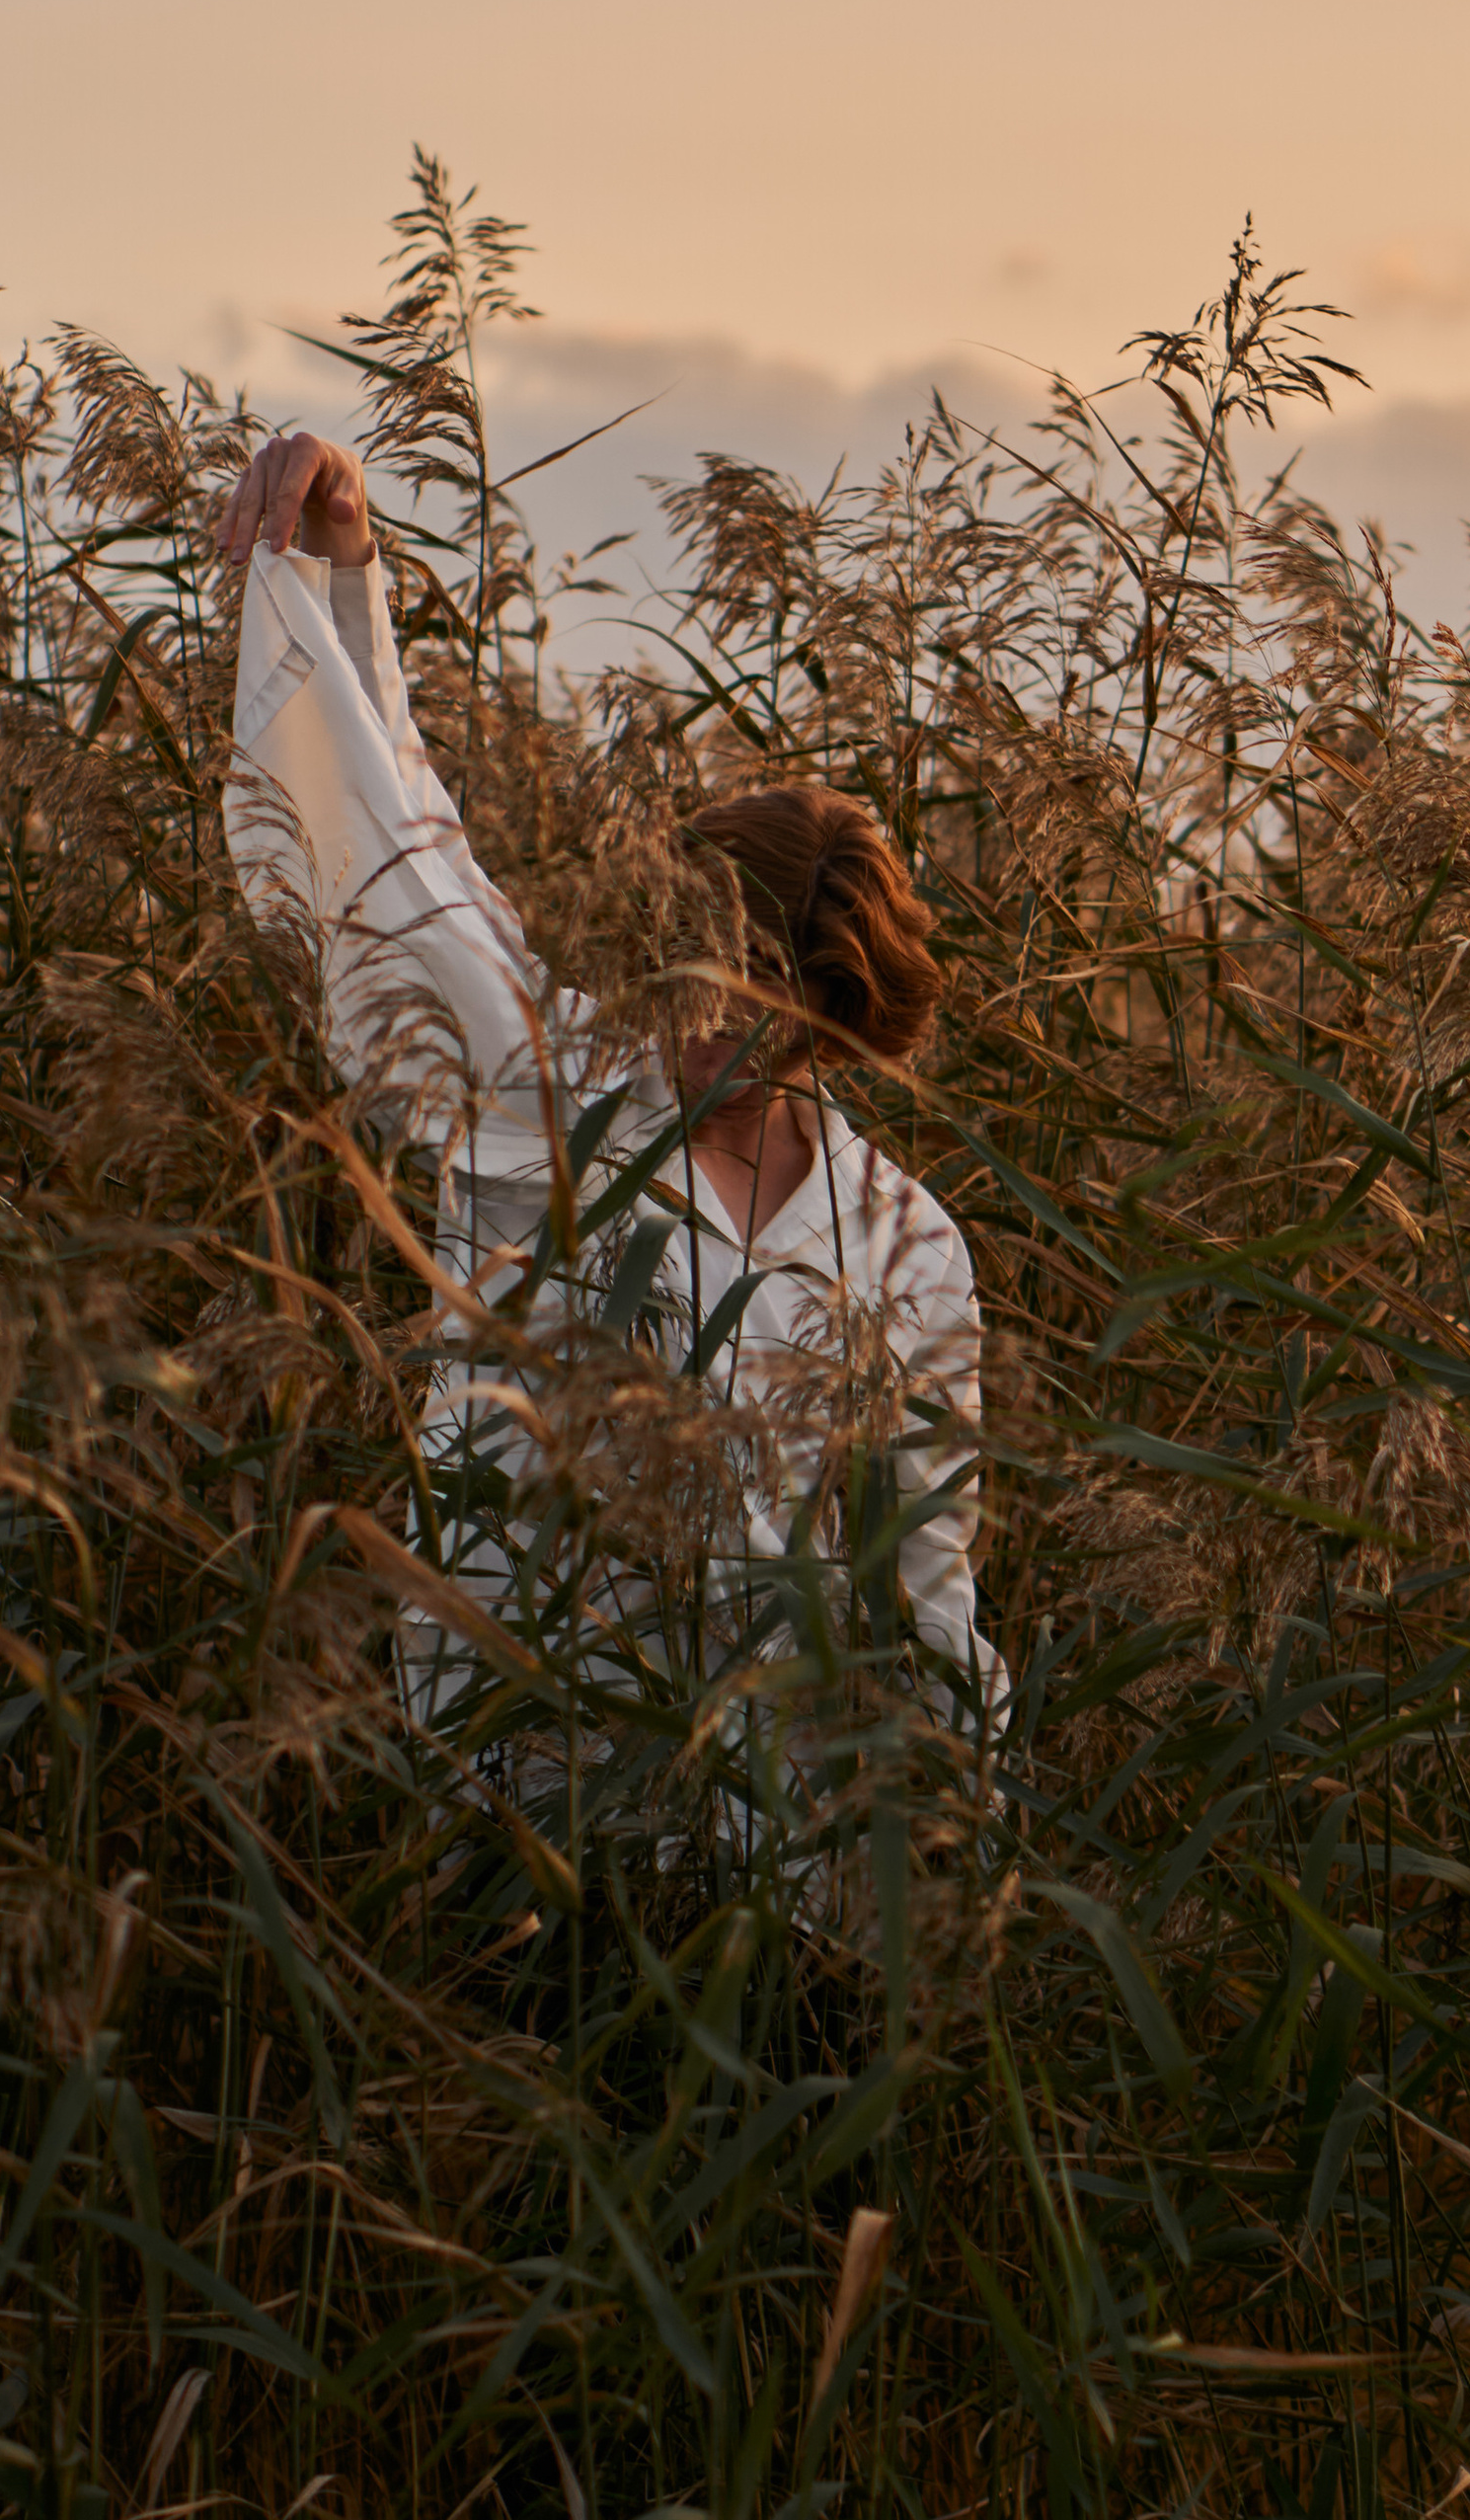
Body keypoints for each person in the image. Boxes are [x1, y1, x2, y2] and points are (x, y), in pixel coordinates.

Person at [210, 428, 1005, 1851]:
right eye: (690, 961)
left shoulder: (907, 1246)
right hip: (531, 1806)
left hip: (777, 1847)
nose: (707, 1019)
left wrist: (956, 1829)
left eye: (758, 994)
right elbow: (407, 866)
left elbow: (927, 1578)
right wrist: (344, 573)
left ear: (831, 1010)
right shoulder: (547, 1090)